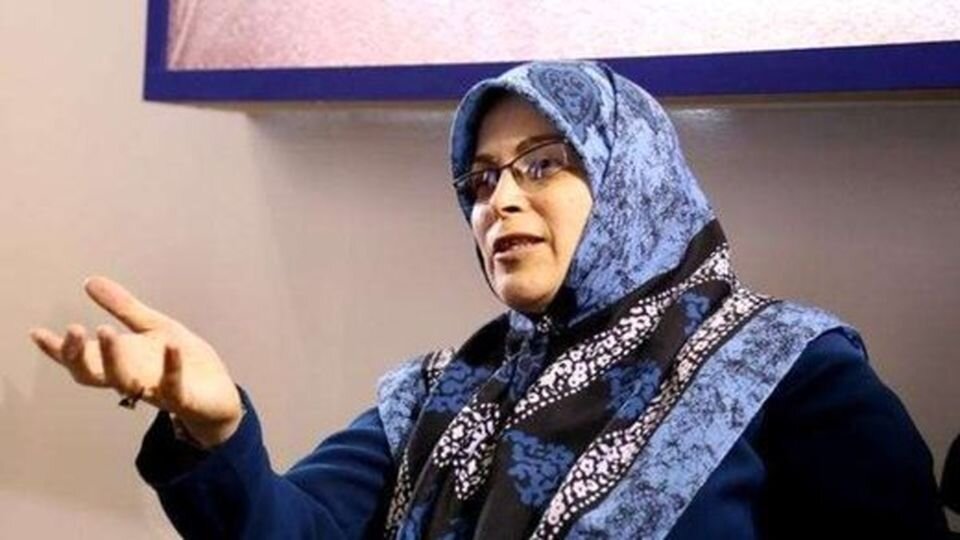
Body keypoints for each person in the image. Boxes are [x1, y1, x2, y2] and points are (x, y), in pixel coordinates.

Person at [29, 60, 949, 538]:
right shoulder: (439, 395)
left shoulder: (781, 370)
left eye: (542, 164)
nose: (498, 200)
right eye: (479, 178)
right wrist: (217, 427)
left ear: (631, 179)